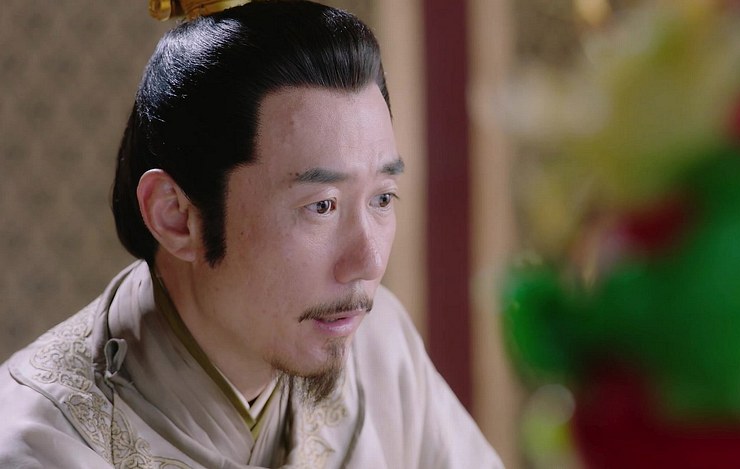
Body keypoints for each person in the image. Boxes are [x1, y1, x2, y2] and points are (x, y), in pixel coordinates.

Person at [0, 1, 503, 467]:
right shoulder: (41, 447)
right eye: (321, 206)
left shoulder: (376, 343)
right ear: (176, 216)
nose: (369, 263)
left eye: (382, 199)